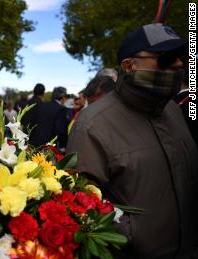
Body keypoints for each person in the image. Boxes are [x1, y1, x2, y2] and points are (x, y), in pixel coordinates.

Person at [67, 23, 198, 257]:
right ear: (129, 66)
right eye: (166, 59)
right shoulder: (92, 125)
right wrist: (133, 237)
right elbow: (83, 208)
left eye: (181, 56)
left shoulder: (174, 111)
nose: (179, 64)